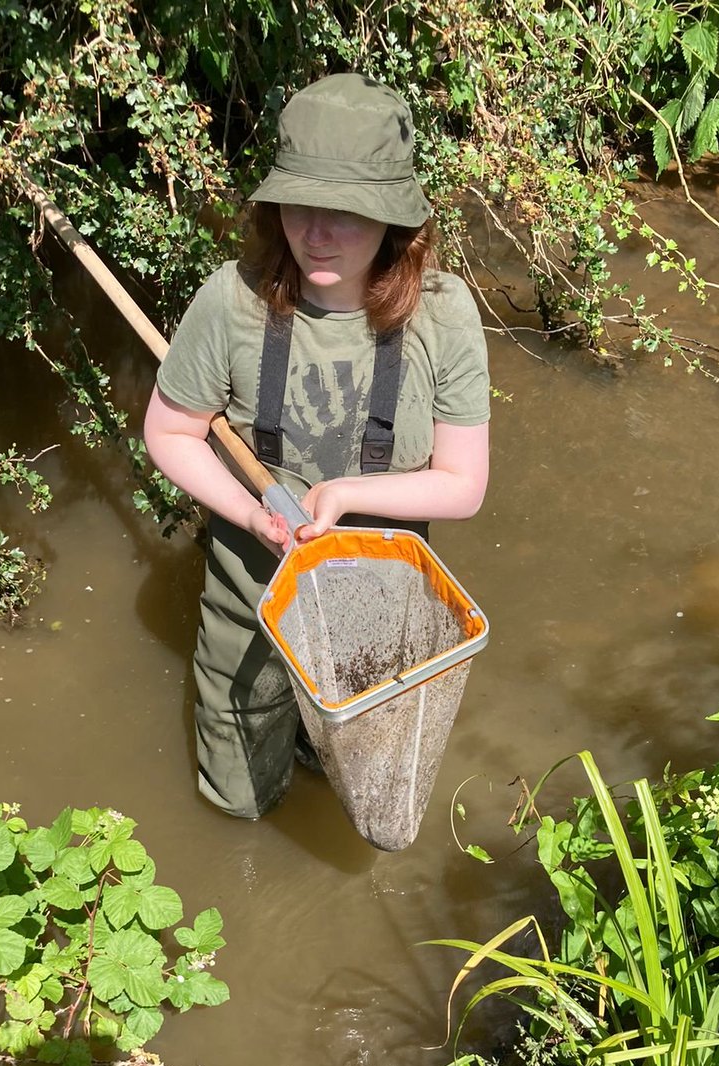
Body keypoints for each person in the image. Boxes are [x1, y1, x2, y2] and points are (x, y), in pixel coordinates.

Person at [143, 72, 490, 821]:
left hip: (379, 603)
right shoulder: (230, 301)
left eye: (346, 212)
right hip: (252, 595)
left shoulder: (445, 315)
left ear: (395, 219)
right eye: (301, 206)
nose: (318, 234)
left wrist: (345, 494)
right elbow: (170, 432)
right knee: (239, 802)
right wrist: (250, 512)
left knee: (342, 764)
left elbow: (463, 484)